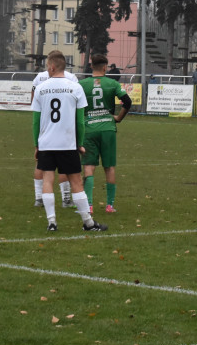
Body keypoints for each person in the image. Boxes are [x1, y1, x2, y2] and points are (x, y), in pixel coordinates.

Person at [31, 50, 107, 233]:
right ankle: (88, 223)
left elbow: (35, 121)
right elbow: (80, 121)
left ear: (52, 66)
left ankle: (52, 222)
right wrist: (79, 143)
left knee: (48, 180)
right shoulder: (75, 87)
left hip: (47, 143)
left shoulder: (41, 88)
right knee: (76, 182)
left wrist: (37, 144)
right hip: (67, 143)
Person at [80, 53, 132, 213]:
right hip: (108, 128)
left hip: (89, 128)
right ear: (105, 67)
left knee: (89, 166)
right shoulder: (112, 83)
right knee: (109, 167)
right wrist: (118, 118)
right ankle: (110, 205)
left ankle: (89, 205)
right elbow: (127, 102)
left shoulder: (82, 84)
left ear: (91, 67)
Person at [31, 63, 78, 208]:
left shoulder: (40, 77)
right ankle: (66, 199)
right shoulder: (71, 78)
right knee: (65, 167)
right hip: (65, 128)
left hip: (46, 128)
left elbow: (33, 97)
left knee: (43, 166)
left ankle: (39, 198)